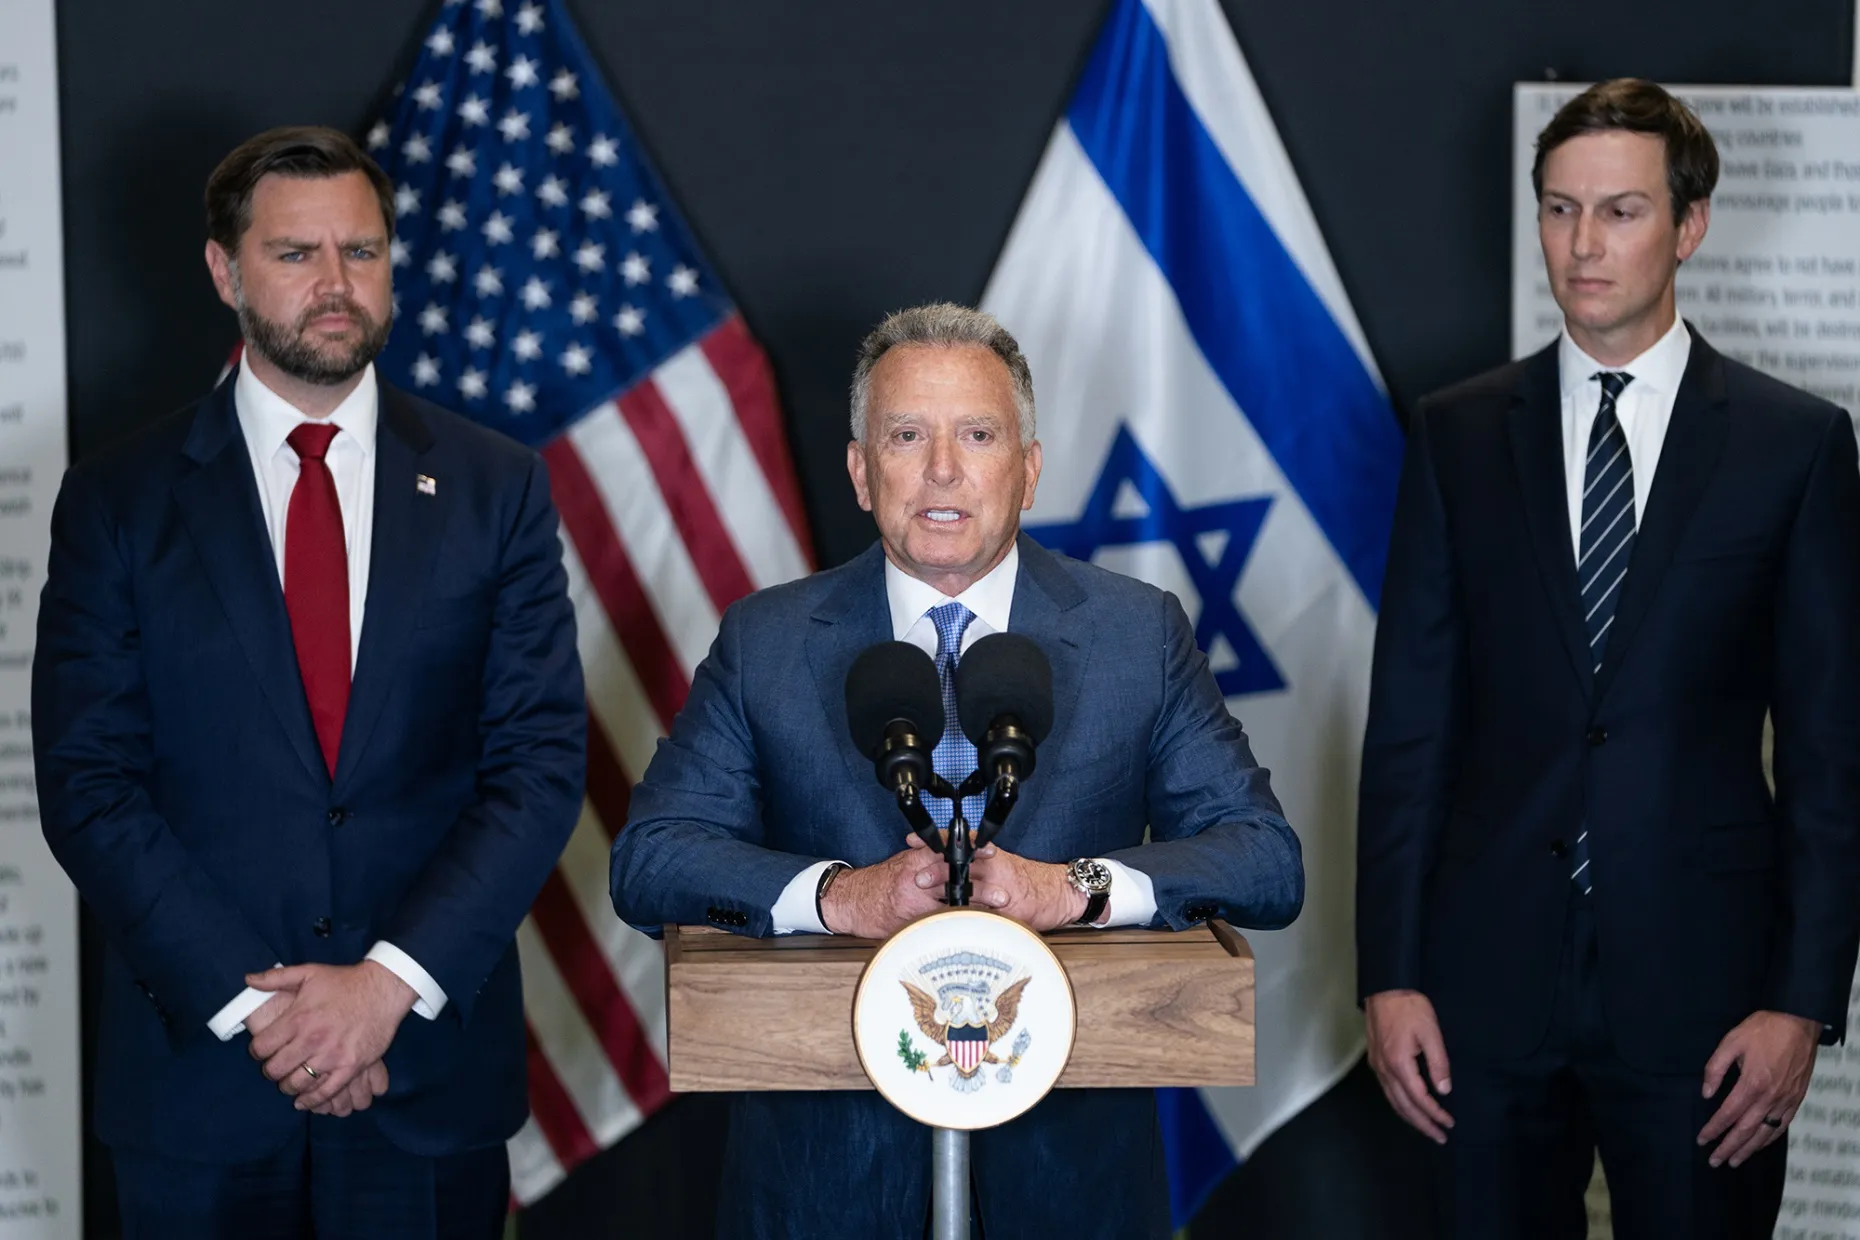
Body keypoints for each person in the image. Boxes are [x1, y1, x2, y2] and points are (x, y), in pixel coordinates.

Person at [609, 302, 1302, 1239]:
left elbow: (1264, 859)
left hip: (1070, 1186)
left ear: (1029, 468)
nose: (943, 470)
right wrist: (841, 898)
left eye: (977, 434)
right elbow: (651, 859)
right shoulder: (767, 640)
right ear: (861, 471)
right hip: (824, 1186)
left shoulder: (1136, 633)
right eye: (906, 436)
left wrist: (1077, 889)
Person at [32, 126, 585, 1239]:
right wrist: (267, 1011)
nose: (336, 286)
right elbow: (91, 785)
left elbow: (536, 766)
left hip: (422, 1074)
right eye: (296, 256)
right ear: (225, 272)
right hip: (202, 1083)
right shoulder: (118, 502)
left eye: (362, 252)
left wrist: (382, 988)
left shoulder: (497, 490)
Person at [1357, 79, 1860, 1239]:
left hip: (1710, 1001)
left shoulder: (1796, 447)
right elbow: (1411, 727)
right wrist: (1388, 972)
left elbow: (1834, 760)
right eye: (1559, 209)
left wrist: (1801, 1004)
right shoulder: (1457, 434)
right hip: (1480, 996)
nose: (1583, 245)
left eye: (1621, 211)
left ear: (1689, 226)